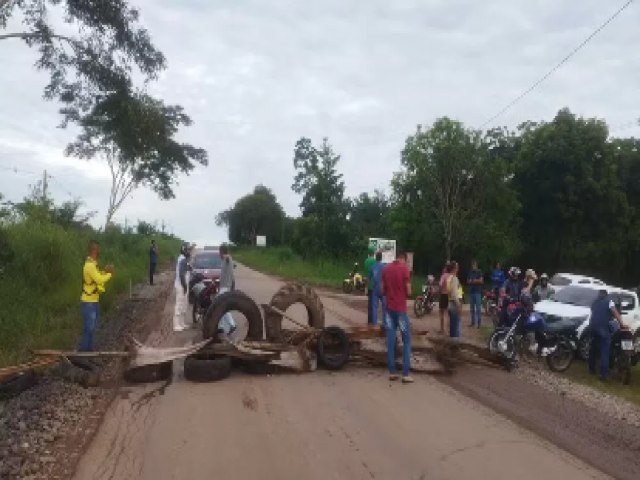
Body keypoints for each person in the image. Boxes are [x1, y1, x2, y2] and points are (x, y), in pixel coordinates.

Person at [381, 251, 413, 383]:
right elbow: (409, 292)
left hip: (389, 310)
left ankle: (392, 372)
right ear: (403, 259)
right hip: (400, 310)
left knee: (391, 340)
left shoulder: (386, 269)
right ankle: (405, 374)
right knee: (406, 340)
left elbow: (382, 290)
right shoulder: (404, 269)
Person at [80, 240, 113, 351]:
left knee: (91, 329)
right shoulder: (89, 266)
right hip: (88, 302)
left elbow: (97, 276)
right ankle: (83, 352)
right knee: (88, 329)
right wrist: (109, 274)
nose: (100, 252)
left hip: (93, 301)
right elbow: (99, 280)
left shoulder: (93, 265)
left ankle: (88, 352)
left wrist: (104, 271)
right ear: (93, 251)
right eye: (98, 250)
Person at [589, 290, 625, 381]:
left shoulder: (594, 301)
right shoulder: (609, 302)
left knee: (592, 349)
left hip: (592, 327)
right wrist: (622, 323)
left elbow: (594, 312)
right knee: (605, 351)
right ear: (606, 295)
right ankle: (603, 375)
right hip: (602, 328)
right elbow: (615, 312)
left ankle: (591, 370)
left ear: (599, 294)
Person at [218, 245, 237, 336]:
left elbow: (228, 258)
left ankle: (232, 324)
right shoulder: (226, 262)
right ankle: (220, 327)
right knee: (218, 306)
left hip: (225, 287)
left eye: (219, 252)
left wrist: (226, 256)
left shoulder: (227, 259)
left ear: (222, 252)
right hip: (224, 287)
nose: (219, 254)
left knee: (222, 306)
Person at [173, 247, 190, 332]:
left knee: (184, 304)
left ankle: (182, 323)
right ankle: (176, 325)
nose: (189, 251)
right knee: (179, 304)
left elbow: (188, 269)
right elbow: (181, 274)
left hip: (182, 285)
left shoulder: (183, 259)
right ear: (184, 251)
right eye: (187, 250)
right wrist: (184, 285)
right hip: (181, 285)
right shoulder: (182, 260)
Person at [368, 252, 386, 326]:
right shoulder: (384, 267)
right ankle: (385, 323)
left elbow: (368, 278)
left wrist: (366, 287)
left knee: (374, 306)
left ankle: (374, 324)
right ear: (381, 258)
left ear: (376, 258)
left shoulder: (372, 267)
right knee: (385, 307)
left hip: (375, 288)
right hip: (383, 289)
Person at [447, 261, 462, 338]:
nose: (458, 269)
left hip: (450, 304)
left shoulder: (449, 278)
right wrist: (458, 305)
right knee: (455, 329)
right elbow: (454, 294)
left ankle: (452, 344)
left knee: (452, 328)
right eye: (457, 267)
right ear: (454, 268)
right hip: (454, 305)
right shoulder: (454, 278)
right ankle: (454, 346)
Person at [467, 260, 484, 328]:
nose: (473, 267)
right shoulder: (470, 272)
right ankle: (473, 322)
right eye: (472, 265)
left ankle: (479, 323)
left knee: (478, 308)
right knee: (472, 308)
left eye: (474, 265)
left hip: (477, 292)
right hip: (471, 292)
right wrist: (470, 281)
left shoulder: (479, 272)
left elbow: (481, 280)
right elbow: (467, 281)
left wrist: (475, 280)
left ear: (476, 266)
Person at [438, 262, 450, 334]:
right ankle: (449, 330)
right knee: (448, 314)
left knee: (441, 312)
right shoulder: (451, 276)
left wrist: (439, 290)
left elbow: (440, 285)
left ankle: (442, 329)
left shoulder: (443, 276)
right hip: (449, 296)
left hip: (443, 295)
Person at [364, 247, 376, 324]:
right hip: (374, 285)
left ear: (368, 253)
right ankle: (373, 321)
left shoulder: (366, 261)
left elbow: (366, 274)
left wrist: (366, 287)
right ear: (373, 253)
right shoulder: (375, 261)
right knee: (374, 304)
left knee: (369, 303)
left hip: (368, 284)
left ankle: (369, 320)